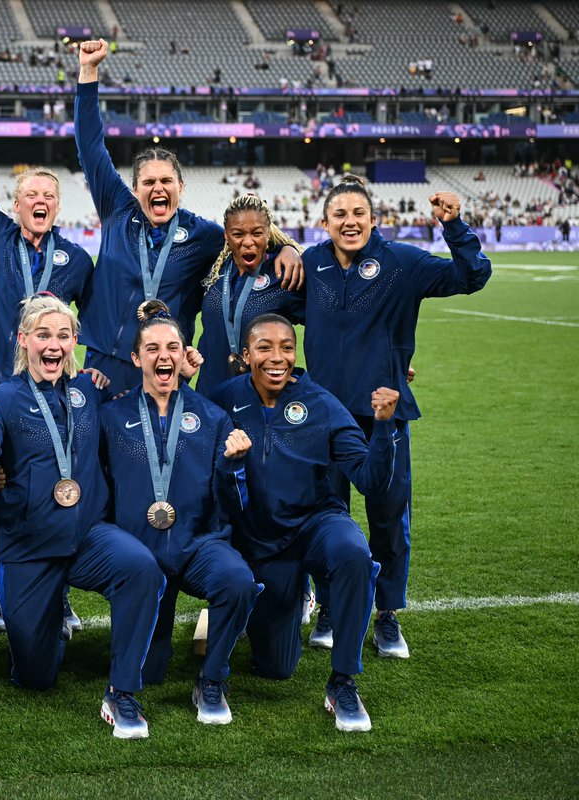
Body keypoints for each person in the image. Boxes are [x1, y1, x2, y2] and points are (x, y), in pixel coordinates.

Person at [0, 294, 165, 739]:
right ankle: (42, 626)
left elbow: (141, 408)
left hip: (88, 537)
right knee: (36, 678)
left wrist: (180, 368)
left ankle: (123, 690)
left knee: (142, 568)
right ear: (24, 340)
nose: (54, 345)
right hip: (28, 546)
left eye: (64, 336)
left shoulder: (88, 389)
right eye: (44, 335)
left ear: (74, 342)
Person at [301, 178, 491, 657]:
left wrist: (454, 226)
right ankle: (329, 605)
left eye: (358, 213)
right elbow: (272, 313)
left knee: (387, 518)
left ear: (373, 219)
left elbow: (471, 278)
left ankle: (386, 616)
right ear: (324, 223)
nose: (350, 221)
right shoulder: (310, 265)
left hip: (383, 415)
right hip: (322, 417)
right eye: (339, 214)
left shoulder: (402, 262)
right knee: (326, 517)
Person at [73, 39, 302, 395]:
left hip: (167, 364)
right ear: (135, 190)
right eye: (148, 182)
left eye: (166, 180)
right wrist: (89, 73)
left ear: (181, 186)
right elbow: (90, 146)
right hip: (106, 362)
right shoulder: (118, 209)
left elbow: (248, 238)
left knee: (164, 448)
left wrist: (286, 247)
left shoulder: (204, 236)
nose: (157, 188)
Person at [210, 314, 399, 732]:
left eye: (286, 347)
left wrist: (383, 427)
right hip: (259, 542)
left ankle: (343, 682)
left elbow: (369, 480)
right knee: (276, 668)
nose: (277, 358)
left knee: (352, 553)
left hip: (316, 524)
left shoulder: (322, 404)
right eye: (264, 347)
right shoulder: (222, 399)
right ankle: (292, 601)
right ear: (245, 355)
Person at [99, 301, 259, 725]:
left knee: (238, 581)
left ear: (184, 355)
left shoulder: (212, 416)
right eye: (152, 349)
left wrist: (232, 466)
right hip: (140, 556)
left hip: (196, 547)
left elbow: (232, 500)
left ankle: (211, 679)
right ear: (136, 358)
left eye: (172, 346)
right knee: (150, 672)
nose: (163, 356)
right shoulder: (111, 417)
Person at [0, 60, 94, 385]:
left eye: (48, 196)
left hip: (51, 387)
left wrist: (92, 367)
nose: (40, 201)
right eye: (31, 195)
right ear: (16, 205)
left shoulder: (77, 261)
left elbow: (96, 322)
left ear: (57, 207)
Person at [195, 195, 305, 396]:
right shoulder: (214, 270)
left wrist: (289, 248)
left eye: (257, 233)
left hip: (260, 400)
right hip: (210, 398)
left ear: (267, 234)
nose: (248, 242)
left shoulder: (283, 273)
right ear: (226, 236)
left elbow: (324, 324)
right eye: (238, 234)